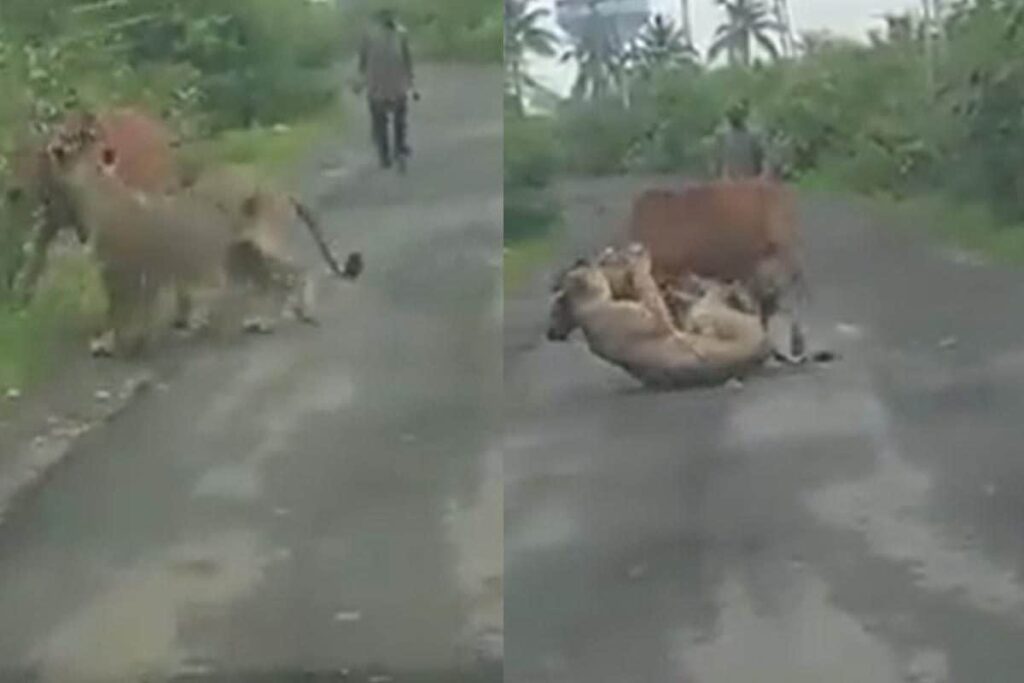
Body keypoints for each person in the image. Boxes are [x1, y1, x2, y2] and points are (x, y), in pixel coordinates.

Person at [357, 8, 416, 170]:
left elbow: (362, 62)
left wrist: (362, 80)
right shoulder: (398, 33)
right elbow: (408, 59)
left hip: (383, 86)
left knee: (386, 122)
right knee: (394, 121)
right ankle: (394, 150)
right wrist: (410, 81)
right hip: (390, 85)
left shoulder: (371, 35)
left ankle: (390, 152)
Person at [714, 101, 766, 180]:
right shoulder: (722, 136)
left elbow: (759, 158)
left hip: (746, 179)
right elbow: (718, 160)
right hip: (732, 180)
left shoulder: (753, 136)